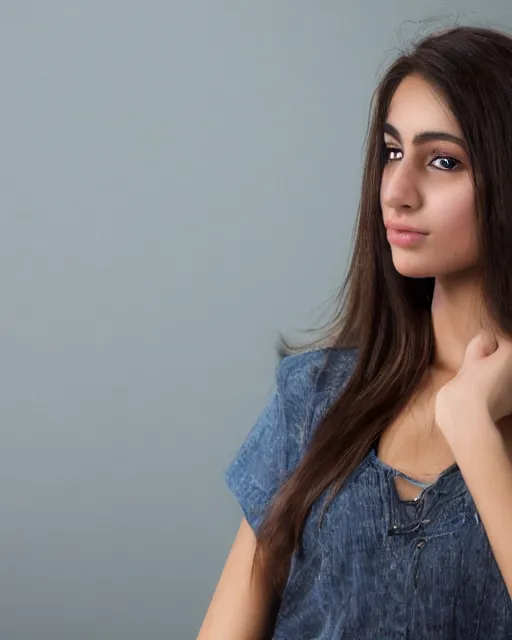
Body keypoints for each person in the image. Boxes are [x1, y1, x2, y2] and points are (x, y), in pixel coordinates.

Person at [197, 24, 512, 639]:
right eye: (392, 153)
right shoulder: (314, 398)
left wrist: (471, 422)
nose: (395, 191)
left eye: (442, 161)